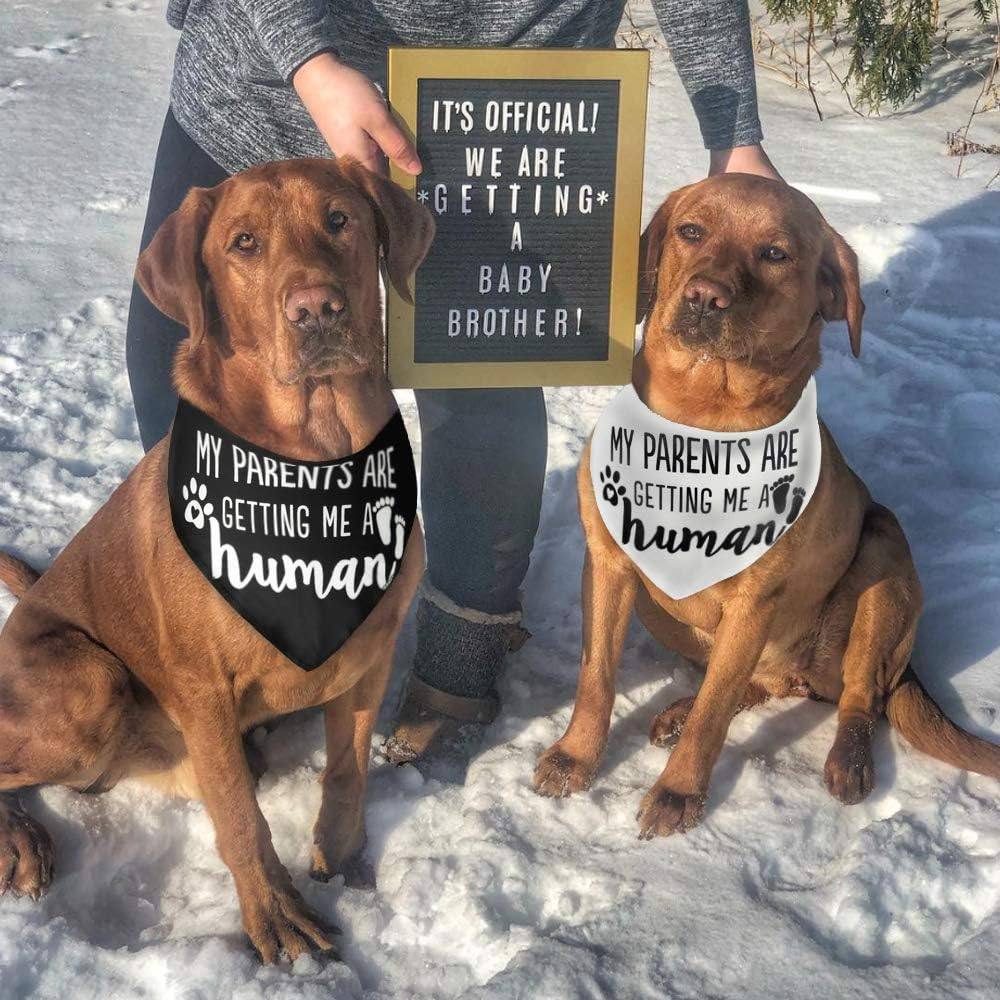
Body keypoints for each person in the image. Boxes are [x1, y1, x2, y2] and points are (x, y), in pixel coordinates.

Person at [128, 0, 780, 763]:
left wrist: (734, 135)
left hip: (500, 98)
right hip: (268, 87)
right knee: (185, 362)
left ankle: (462, 651)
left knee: (482, 378)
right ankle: (237, 631)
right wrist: (314, 65)